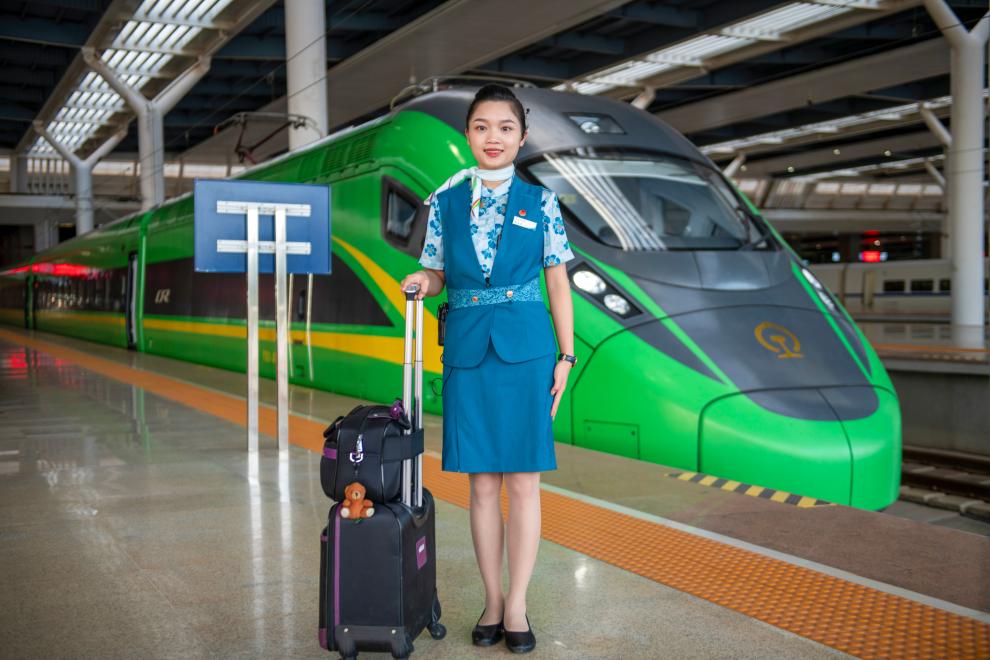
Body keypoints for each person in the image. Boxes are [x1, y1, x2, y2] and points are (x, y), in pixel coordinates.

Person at [399, 83, 576, 654]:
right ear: (468, 135)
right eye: (481, 127)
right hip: (468, 352)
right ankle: (492, 600)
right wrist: (422, 281)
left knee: (523, 482)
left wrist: (566, 355)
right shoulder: (446, 202)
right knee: (481, 485)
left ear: (521, 139)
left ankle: (517, 604)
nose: (492, 137)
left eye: (505, 127)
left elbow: (557, 282)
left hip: (527, 353)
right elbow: (436, 273)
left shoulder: (541, 203)